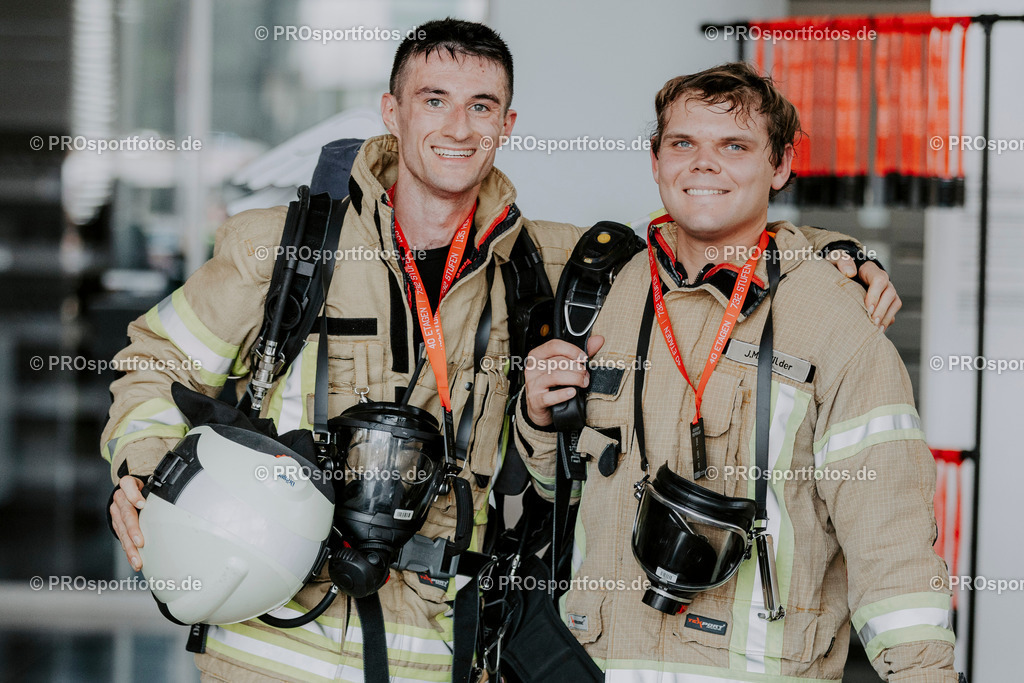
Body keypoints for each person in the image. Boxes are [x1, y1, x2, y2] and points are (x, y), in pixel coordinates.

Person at [103, 20, 899, 682]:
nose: (458, 127)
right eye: (435, 101)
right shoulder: (283, 247)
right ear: (393, 110)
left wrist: (832, 254)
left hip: (443, 649)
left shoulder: (543, 260)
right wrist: (145, 466)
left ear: (508, 124)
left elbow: (702, 224)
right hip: (271, 642)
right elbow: (154, 362)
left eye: (483, 105)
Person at [516, 62, 957, 682]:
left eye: (734, 146)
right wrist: (538, 422)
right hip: (592, 666)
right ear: (656, 159)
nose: (703, 163)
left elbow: (893, 541)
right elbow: (562, 489)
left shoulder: (832, 318)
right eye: (683, 144)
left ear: (779, 166)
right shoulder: (611, 290)